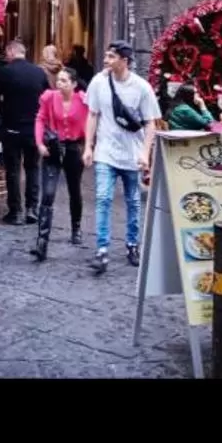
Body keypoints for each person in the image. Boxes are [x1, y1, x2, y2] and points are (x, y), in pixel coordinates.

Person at [83, 42, 159, 273]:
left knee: (133, 202)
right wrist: (88, 146)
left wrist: (145, 153)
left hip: (131, 154)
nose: (106, 59)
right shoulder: (98, 82)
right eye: (106, 55)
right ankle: (102, 248)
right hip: (105, 152)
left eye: (111, 56)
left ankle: (132, 244)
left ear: (124, 61)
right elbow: (93, 115)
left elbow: (150, 123)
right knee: (103, 198)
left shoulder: (141, 87)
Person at [31, 66, 88, 259]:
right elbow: (40, 119)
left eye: (64, 81)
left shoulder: (83, 100)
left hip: (74, 149)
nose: (59, 83)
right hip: (53, 148)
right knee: (47, 193)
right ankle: (42, 242)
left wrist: (89, 147)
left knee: (74, 190)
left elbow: (91, 122)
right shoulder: (49, 97)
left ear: (73, 84)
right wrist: (39, 143)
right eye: (59, 80)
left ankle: (76, 227)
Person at [0, 39, 50, 223]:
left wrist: (4, 109)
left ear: (10, 52)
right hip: (33, 128)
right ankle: (32, 209)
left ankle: (15, 211)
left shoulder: (4, 72)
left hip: (11, 128)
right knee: (33, 168)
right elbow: (47, 98)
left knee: (13, 170)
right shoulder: (39, 72)